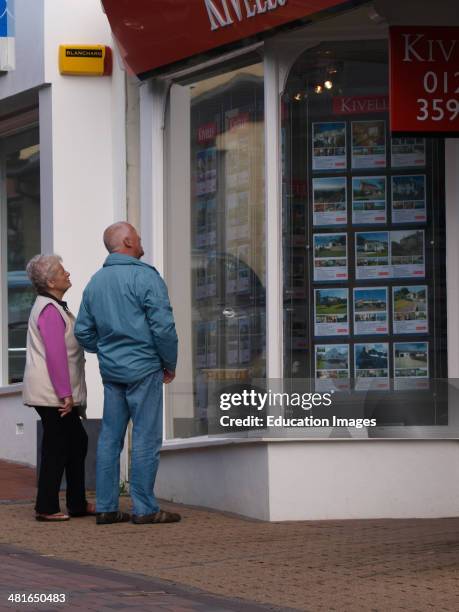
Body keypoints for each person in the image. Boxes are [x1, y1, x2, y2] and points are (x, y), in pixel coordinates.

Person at [74, 222, 180, 525]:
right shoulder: (145, 277)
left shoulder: (95, 282)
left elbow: (82, 331)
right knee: (145, 438)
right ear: (128, 241)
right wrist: (169, 362)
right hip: (145, 368)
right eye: (138, 237)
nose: (141, 240)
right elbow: (163, 327)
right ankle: (144, 508)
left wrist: (107, 349)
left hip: (112, 371)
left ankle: (106, 507)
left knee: (110, 437)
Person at [22, 254, 95, 521]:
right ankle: (47, 507)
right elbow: (55, 355)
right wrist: (65, 394)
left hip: (54, 392)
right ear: (50, 281)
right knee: (60, 445)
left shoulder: (54, 306)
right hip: (53, 394)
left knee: (75, 441)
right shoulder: (50, 310)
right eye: (62, 271)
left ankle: (74, 503)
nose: (68, 274)